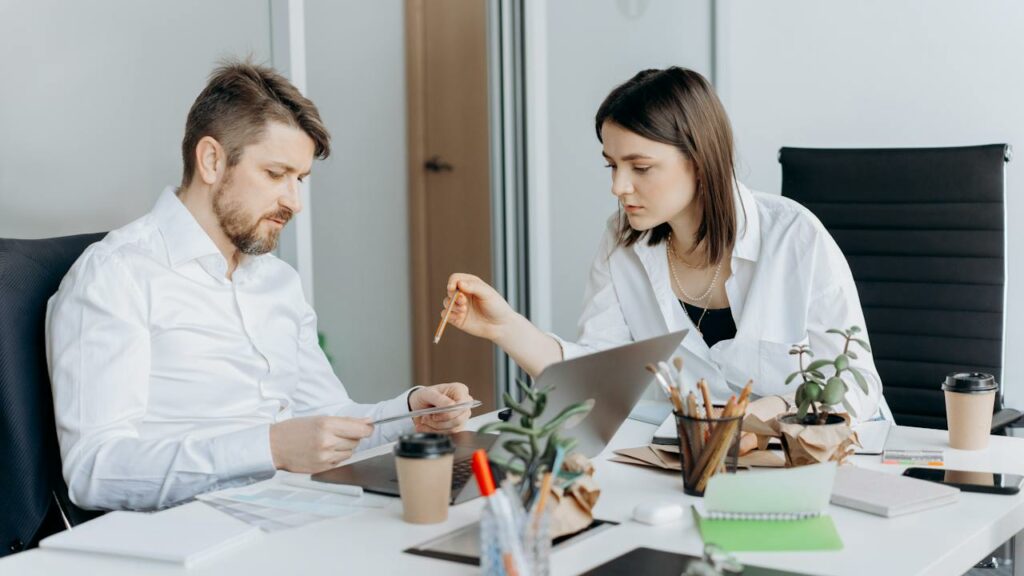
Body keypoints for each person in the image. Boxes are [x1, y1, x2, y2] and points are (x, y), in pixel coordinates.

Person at [46, 61, 473, 511]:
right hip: (190, 535)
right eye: (275, 175)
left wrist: (413, 415)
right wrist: (269, 448)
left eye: (300, 179)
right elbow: (95, 469)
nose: (294, 202)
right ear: (212, 160)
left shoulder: (277, 282)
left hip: (294, 511)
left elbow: (328, 418)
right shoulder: (118, 275)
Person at [442, 67, 887, 421]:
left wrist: (763, 415)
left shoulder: (795, 237)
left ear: (698, 160)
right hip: (692, 467)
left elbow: (854, 385)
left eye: (640, 167)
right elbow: (600, 380)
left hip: (814, 464)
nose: (619, 186)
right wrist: (504, 327)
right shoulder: (621, 240)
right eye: (611, 165)